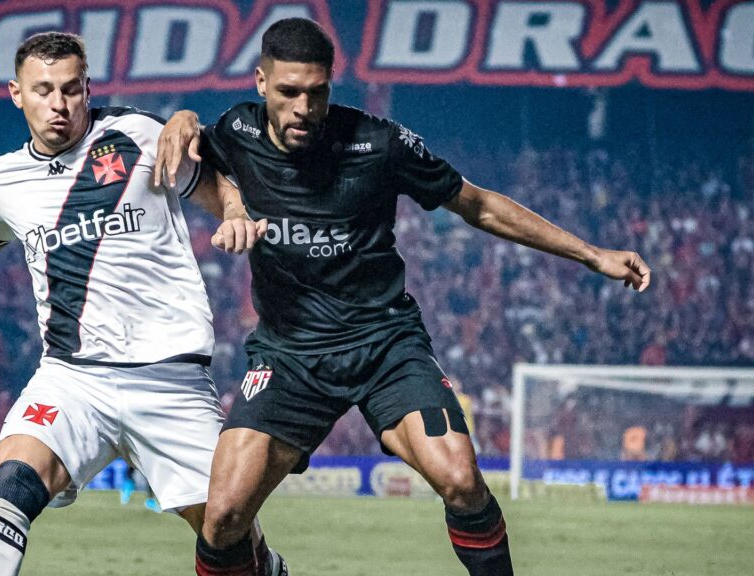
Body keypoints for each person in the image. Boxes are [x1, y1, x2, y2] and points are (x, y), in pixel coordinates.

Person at [156, 18, 652, 576]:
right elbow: (195, 149)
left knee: (461, 479)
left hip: (385, 346)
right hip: (289, 354)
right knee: (223, 518)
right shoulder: (236, 130)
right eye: (289, 92)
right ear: (261, 82)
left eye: (317, 93)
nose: (303, 108)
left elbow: (478, 204)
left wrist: (591, 254)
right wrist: (183, 119)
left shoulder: (378, 143)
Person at [0, 32, 281, 576]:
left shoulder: (138, 135)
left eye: (70, 89)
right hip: (72, 379)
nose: (59, 104)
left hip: (171, 380)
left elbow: (216, 185)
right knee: (11, 485)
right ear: (16, 94)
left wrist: (234, 211)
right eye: (43, 90)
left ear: (88, 88)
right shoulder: (4, 178)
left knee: (228, 534)